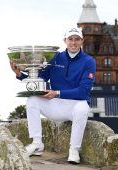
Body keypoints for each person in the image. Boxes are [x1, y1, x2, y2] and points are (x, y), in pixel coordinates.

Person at [9, 26, 96, 164]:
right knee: (32, 100)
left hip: (75, 104)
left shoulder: (89, 61)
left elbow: (83, 91)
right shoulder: (55, 58)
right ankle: (37, 144)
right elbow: (41, 78)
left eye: (77, 39)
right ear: (65, 40)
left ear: (82, 41)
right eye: (70, 39)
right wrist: (20, 74)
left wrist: (57, 93)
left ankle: (74, 149)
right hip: (55, 104)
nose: (73, 43)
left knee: (83, 109)